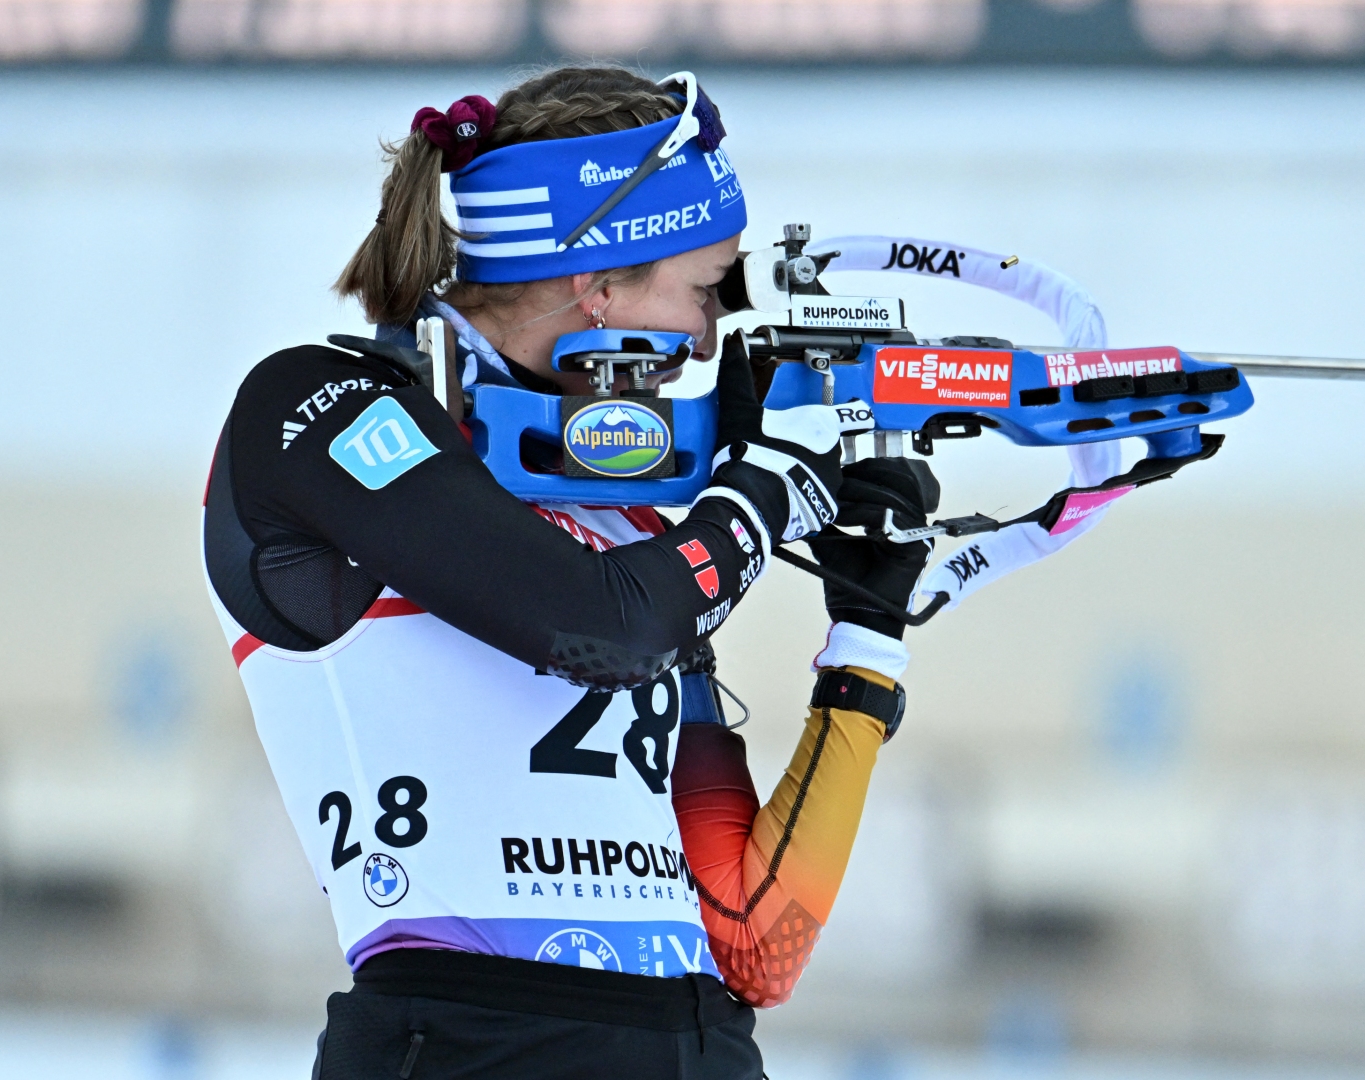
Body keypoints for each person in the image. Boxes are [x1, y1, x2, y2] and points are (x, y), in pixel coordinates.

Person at [201, 66, 935, 1079]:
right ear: (600, 286)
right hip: (468, 1037)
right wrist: (769, 490)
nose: (710, 337)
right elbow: (603, 630)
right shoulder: (318, 406)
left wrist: (867, 632)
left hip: (698, 1047)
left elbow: (757, 943)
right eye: (700, 290)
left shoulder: (625, 520)